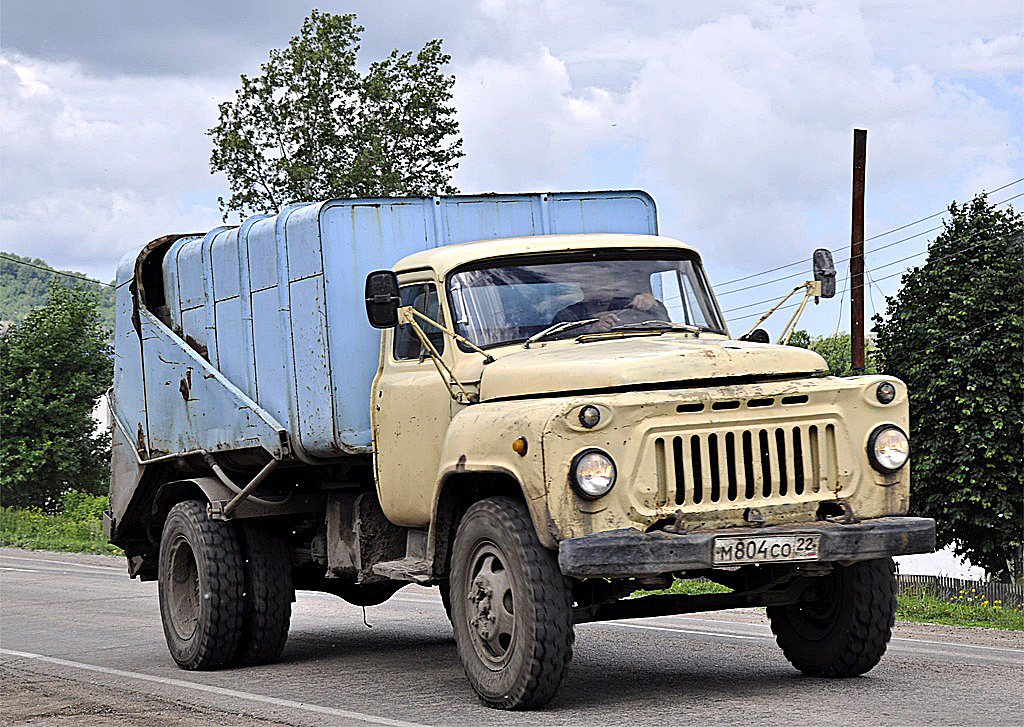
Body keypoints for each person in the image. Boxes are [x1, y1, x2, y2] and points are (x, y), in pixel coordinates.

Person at [552, 292, 669, 332]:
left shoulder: (627, 305)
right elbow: (554, 341)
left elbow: (665, 325)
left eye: (607, 288)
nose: (603, 296)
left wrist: (653, 304)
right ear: (584, 288)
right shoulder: (567, 315)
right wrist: (592, 330)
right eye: (596, 288)